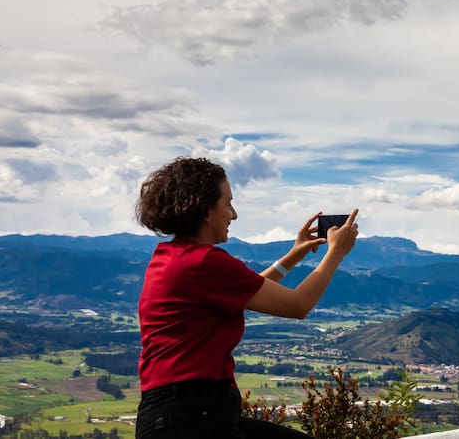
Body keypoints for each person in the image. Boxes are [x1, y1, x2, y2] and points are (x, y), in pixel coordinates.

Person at [133, 156, 358, 439]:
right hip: (191, 415)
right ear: (205, 209)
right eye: (228, 203)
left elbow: (248, 290)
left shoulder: (173, 257)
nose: (234, 214)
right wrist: (336, 253)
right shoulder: (203, 262)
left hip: (182, 413)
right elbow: (298, 305)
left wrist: (295, 254)